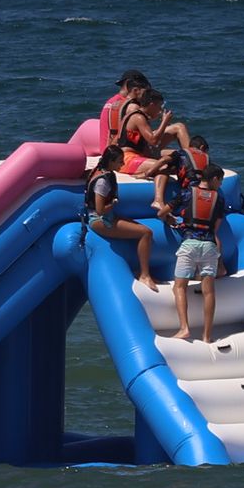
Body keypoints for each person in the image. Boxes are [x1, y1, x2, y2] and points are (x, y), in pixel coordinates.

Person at [164, 162, 227, 342]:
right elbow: (215, 228)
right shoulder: (219, 199)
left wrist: (169, 219)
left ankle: (184, 328)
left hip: (189, 244)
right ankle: (207, 336)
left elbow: (162, 212)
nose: (220, 185)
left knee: (179, 287)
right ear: (214, 179)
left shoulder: (186, 193)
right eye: (220, 181)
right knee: (209, 292)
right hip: (209, 246)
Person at [83, 145, 157, 290]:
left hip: (107, 216)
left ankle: (142, 271)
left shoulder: (101, 171)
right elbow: (100, 210)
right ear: (111, 161)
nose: (122, 164)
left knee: (142, 228)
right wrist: (113, 203)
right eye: (120, 161)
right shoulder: (102, 182)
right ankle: (144, 275)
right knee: (146, 233)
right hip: (99, 220)